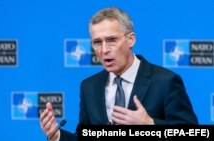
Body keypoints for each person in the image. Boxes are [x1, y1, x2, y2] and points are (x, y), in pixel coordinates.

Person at [40, 7, 198, 141]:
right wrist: (57, 136)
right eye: (97, 42)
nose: (104, 50)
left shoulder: (165, 81)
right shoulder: (89, 86)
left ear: (131, 39)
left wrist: (150, 125)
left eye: (111, 40)